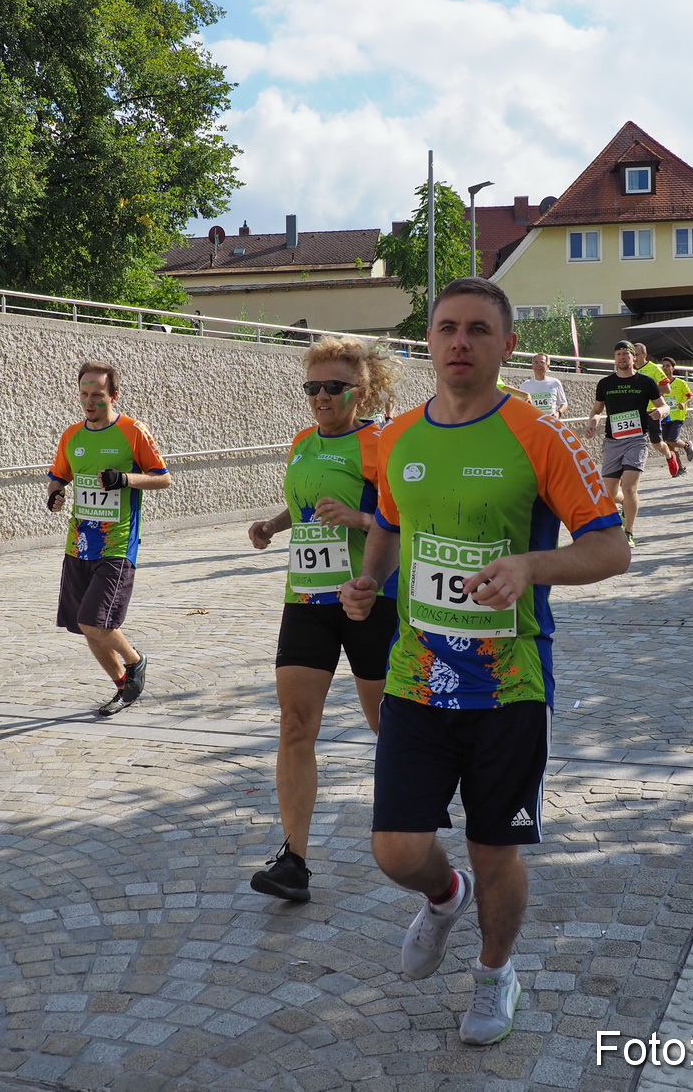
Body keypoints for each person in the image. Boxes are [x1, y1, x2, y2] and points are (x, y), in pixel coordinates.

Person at [338, 276, 628, 1047]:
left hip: (509, 684)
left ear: (506, 345)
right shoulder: (398, 436)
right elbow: (390, 521)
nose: (460, 342)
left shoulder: (540, 434)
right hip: (417, 677)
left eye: (477, 329)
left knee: (495, 849)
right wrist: (369, 579)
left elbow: (611, 548)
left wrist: (530, 567)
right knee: (396, 849)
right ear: (430, 342)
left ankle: (496, 972)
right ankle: (443, 896)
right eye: (446, 328)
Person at [246, 337, 402, 903]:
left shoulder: (381, 443)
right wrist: (275, 524)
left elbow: (405, 519)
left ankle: (416, 815)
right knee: (294, 724)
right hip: (308, 598)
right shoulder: (301, 442)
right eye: (312, 387)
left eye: (335, 387)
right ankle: (294, 861)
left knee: (387, 724)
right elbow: (310, 505)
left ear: (362, 390)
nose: (321, 397)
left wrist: (360, 518)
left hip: (369, 597)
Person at [46, 362, 171, 714]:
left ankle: (135, 661)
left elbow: (163, 478)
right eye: (84, 394)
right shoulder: (72, 435)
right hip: (78, 545)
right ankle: (123, 687)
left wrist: (125, 479)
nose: (90, 402)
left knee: (93, 621)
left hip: (117, 545)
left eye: (98, 395)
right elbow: (58, 477)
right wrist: (54, 495)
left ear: (113, 396)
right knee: (86, 627)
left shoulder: (133, 431)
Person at [589, 340, 669, 547]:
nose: (622, 358)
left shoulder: (646, 382)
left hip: (637, 439)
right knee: (608, 492)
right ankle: (625, 503)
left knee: (629, 487)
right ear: (614, 359)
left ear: (634, 357)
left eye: (626, 354)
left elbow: (665, 406)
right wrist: (593, 423)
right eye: (619, 354)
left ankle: (628, 532)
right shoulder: (605, 383)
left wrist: (660, 411)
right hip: (612, 441)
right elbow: (597, 410)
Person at [632, 343, 683, 476]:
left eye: (637, 354)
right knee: (633, 442)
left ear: (645, 355)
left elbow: (667, 389)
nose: (634, 358)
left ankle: (669, 456)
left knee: (657, 444)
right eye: (632, 355)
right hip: (634, 413)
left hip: (652, 411)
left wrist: (647, 389)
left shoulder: (654, 369)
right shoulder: (628, 369)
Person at [658, 358, 693, 463]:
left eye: (668, 366)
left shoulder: (680, 383)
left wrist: (684, 403)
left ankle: (687, 445)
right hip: (665, 417)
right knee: (669, 445)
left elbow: (691, 395)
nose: (665, 368)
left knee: (672, 440)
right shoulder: (660, 385)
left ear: (673, 368)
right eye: (663, 366)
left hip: (677, 416)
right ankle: (680, 468)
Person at [517, 352, 569, 418]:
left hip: (550, 422)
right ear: (532, 366)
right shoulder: (525, 385)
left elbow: (564, 403)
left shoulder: (555, 383)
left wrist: (558, 413)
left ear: (548, 366)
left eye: (542, 362)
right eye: (536, 363)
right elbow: (518, 406)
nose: (539, 365)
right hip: (532, 422)